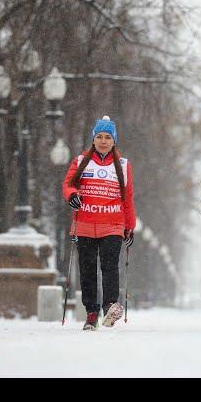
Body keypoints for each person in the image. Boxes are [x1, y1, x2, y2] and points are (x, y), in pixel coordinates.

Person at [62, 115, 136, 331]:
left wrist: (129, 227)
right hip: (84, 223)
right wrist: (72, 195)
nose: (103, 141)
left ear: (114, 141)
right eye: (99, 137)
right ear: (93, 139)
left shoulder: (123, 165)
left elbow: (128, 198)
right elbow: (67, 185)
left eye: (108, 137)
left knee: (110, 265)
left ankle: (110, 305)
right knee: (87, 269)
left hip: (112, 224)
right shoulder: (80, 161)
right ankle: (91, 312)